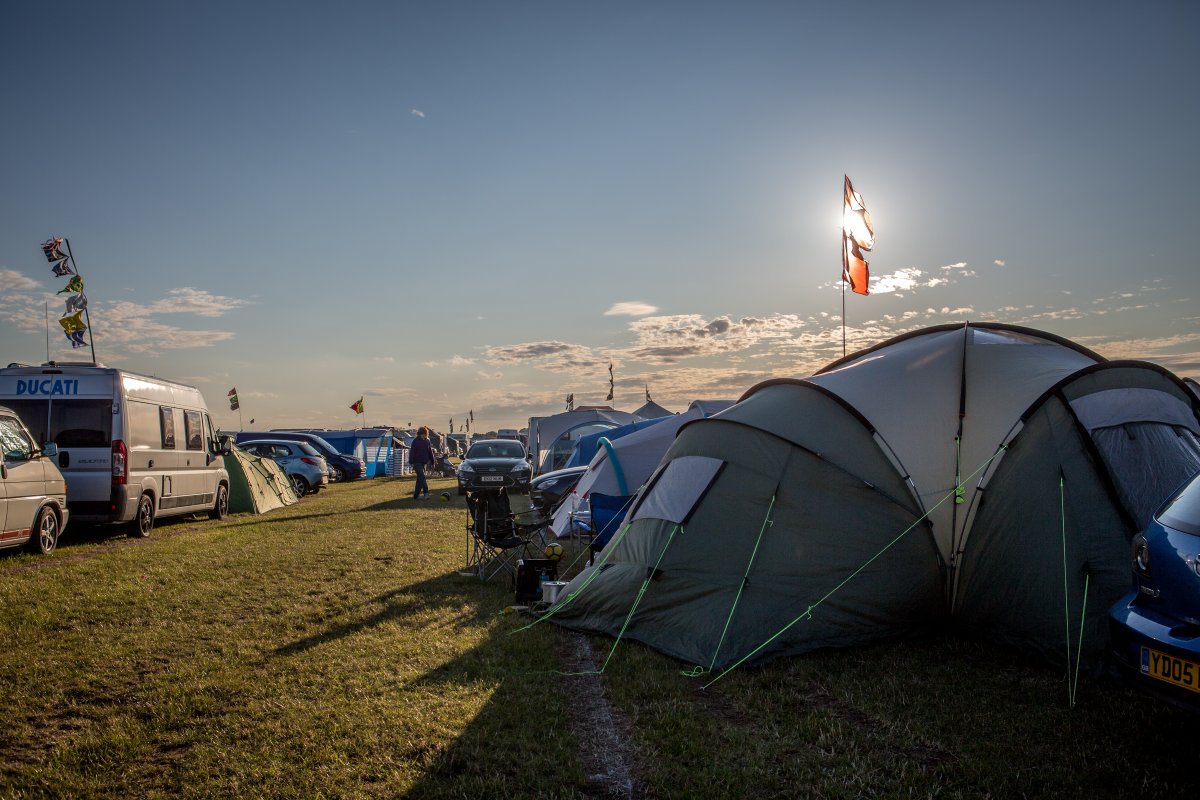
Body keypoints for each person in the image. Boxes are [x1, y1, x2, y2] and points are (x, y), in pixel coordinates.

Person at [409, 426, 435, 500]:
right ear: (420, 434)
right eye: (423, 434)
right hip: (417, 462)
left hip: (424, 463)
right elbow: (412, 452)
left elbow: (430, 452)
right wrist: (411, 462)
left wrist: (433, 462)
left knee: (420, 479)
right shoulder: (415, 441)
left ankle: (416, 496)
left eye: (425, 434)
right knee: (422, 477)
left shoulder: (427, 441)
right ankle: (426, 493)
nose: (425, 436)